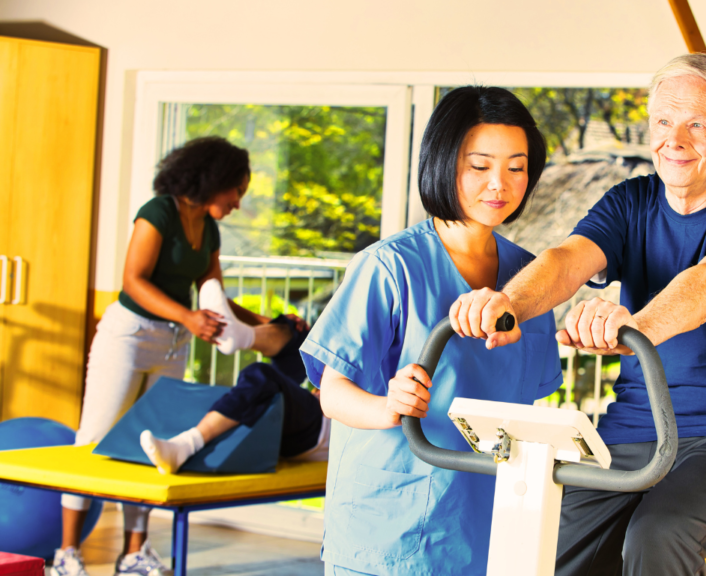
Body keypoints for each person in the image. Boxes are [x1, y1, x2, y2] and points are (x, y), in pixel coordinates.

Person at [449, 53, 706, 576]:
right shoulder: (630, 201)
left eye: (696, 124)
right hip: (636, 428)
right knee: (547, 535)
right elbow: (567, 260)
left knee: (659, 532)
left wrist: (637, 327)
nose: (673, 139)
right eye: (663, 121)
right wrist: (509, 304)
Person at [299, 86, 562, 576]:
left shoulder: (529, 283)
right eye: (479, 166)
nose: (499, 184)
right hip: (389, 525)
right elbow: (331, 392)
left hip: (486, 521)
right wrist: (386, 407)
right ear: (442, 162)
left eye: (516, 166)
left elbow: (527, 404)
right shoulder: (388, 267)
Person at [53, 137, 305, 576]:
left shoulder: (208, 229)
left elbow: (216, 297)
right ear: (216, 180)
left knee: (150, 442)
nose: (238, 203)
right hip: (128, 337)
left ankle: (134, 552)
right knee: (92, 436)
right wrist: (189, 317)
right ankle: (67, 552)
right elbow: (133, 282)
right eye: (237, 191)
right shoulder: (159, 213)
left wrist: (268, 322)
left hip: (172, 343)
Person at [139, 314, 329, 474]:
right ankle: (235, 330)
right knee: (297, 331)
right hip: (317, 407)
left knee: (261, 376)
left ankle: (187, 445)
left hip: (320, 427)